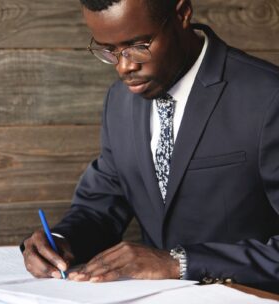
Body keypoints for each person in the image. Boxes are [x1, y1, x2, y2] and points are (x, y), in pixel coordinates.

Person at [20, 0, 279, 293]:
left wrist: (178, 263)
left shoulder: (268, 97)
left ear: (182, 14)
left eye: (138, 45)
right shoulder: (119, 101)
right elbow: (101, 205)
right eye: (108, 50)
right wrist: (61, 241)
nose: (124, 66)